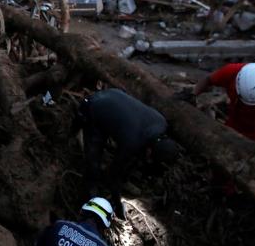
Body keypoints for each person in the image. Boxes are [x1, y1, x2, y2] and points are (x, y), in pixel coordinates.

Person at [73, 89, 179, 219]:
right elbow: (114, 174)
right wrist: (117, 203)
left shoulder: (161, 123)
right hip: (94, 108)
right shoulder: (133, 142)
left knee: (133, 156)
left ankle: (121, 179)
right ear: (151, 151)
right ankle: (88, 199)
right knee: (93, 164)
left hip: (112, 94)